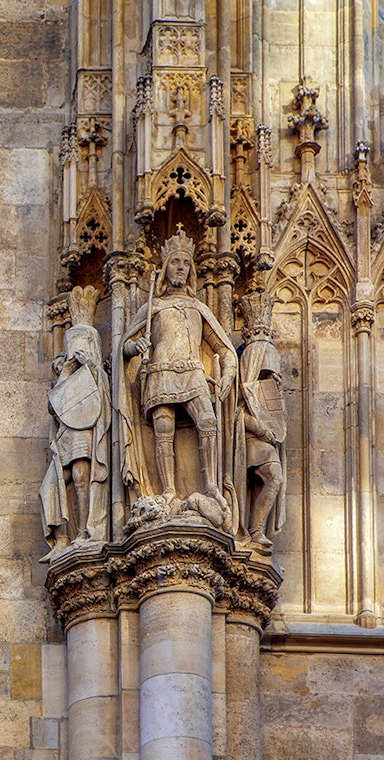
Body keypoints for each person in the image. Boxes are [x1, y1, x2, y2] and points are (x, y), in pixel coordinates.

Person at [120, 227, 236, 518]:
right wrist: (136, 347)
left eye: (185, 263)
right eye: (175, 262)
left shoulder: (197, 307)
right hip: (160, 371)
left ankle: (210, 484)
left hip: (193, 372)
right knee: (163, 429)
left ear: (191, 269)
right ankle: (169, 489)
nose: (180, 268)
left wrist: (226, 377)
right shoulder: (154, 306)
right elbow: (123, 345)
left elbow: (224, 349)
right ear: (164, 268)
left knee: (207, 421)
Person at [40, 286, 110, 562]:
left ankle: (84, 531)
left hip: (84, 433)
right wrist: (67, 372)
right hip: (66, 437)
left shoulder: (96, 377)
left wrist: (89, 367)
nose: (76, 349)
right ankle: (62, 539)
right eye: (73, 343)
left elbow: (96, 401)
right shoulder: (64, 378)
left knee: (82, 479)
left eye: (82, 343)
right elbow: (54, 405)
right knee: (50, 487)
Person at [238, 291, 286, 547]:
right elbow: (239, 412)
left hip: (266, 439)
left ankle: (256, 529)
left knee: (274, 479)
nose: (272, 374)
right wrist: (261, 429)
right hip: (251, 438)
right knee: (272, 478)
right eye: (267, 369)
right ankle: (254, 530)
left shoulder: (268, 382)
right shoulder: (247, 377)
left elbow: (272, 407)